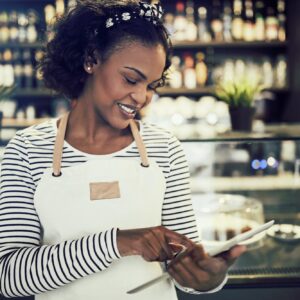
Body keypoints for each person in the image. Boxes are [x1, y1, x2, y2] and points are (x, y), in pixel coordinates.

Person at [0, 1, 245, 299]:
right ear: (91, 59)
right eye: (131, 79)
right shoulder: (27, 151)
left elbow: (183, 266)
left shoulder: (164, 149)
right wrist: (116, 243)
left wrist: (205, 279)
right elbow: (8, 276)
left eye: (153, 85)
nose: (141, 97)